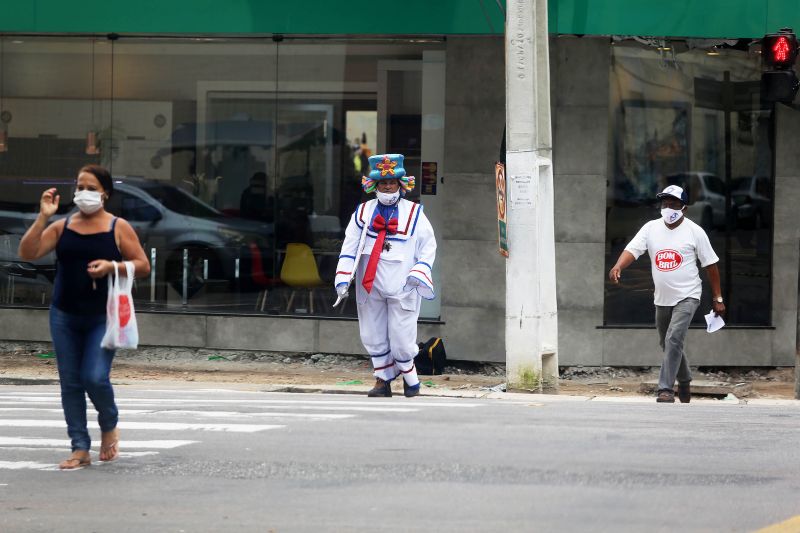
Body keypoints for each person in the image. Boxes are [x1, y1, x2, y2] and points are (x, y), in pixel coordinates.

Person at [18, 164, 150, 468]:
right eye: (80, 187)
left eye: (91, 188)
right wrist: (43, 217)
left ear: (104, 193)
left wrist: (111, 267)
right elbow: (28, 252)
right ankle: (79, 446)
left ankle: (109, 423)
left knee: (94, 377)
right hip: (64, 315)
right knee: (71, 383)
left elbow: (143, 265)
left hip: (102, 317)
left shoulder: (118, 227)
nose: (84, 193)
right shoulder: (62, 226)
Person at [608, 184, 725, 403]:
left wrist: (718, 298)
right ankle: (685, 379)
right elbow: (633, 250)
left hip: (688, 295)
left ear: (684, 208)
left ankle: (665, 389)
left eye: (673, 204)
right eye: (665, 204)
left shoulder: (694, 231)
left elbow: (711, 265)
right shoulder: (651, 228)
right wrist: (618, 266)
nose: (668, 208)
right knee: (667, 341)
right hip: (662, 297)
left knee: (673, 338)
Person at [335, 154, 436, 398]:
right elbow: (349, 247)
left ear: (401, 184)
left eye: (392, 182)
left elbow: (428, 246)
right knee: (372, 335)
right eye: (383, 183)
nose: (388, 186)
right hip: (369, 285)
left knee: (402, 340)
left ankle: (411, 379)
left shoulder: (414, 213)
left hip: (402, 284)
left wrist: (419, 271)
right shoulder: (362, 213)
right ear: (375, 185)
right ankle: (382, 382)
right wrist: (342, 278)